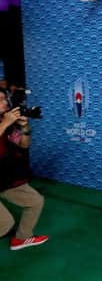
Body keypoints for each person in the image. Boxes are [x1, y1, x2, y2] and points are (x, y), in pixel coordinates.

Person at [0, 88, 48, 250]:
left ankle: (22, 238)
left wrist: (24, 126)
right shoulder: (4, 122)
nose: (5, 102)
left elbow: (23, 144)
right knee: (5, 224)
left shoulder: (5, 122)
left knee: (35, 201)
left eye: (4, 99)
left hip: (5, 178)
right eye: (0, 99)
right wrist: (5, 122)